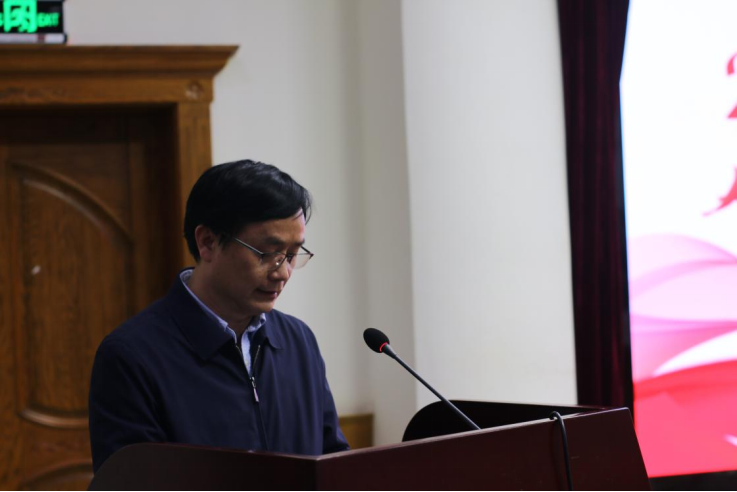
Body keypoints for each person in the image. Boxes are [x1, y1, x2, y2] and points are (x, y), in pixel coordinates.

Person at [89, 160, 349, 473]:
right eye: (267, 253)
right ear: (208, 242)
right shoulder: (132, 356)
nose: (283, 272)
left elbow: (333, 464)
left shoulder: (298, 341)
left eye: (292, 255)